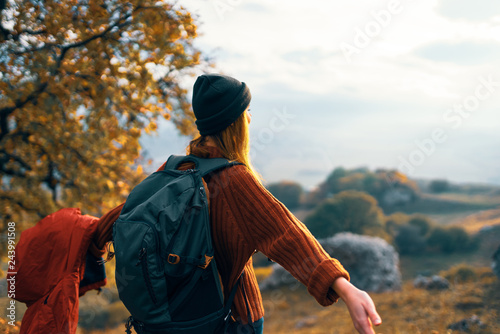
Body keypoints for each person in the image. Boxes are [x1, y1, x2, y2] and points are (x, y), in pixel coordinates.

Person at [92, 73, 382, 334]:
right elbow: (286, 233)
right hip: (231, 321)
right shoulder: (234, 179)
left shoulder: (175, 171)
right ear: (236, 123)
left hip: (169, 321)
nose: (251, 118)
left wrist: (86, 242)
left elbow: (122, 215)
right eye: (247, 112)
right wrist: (345, 288)